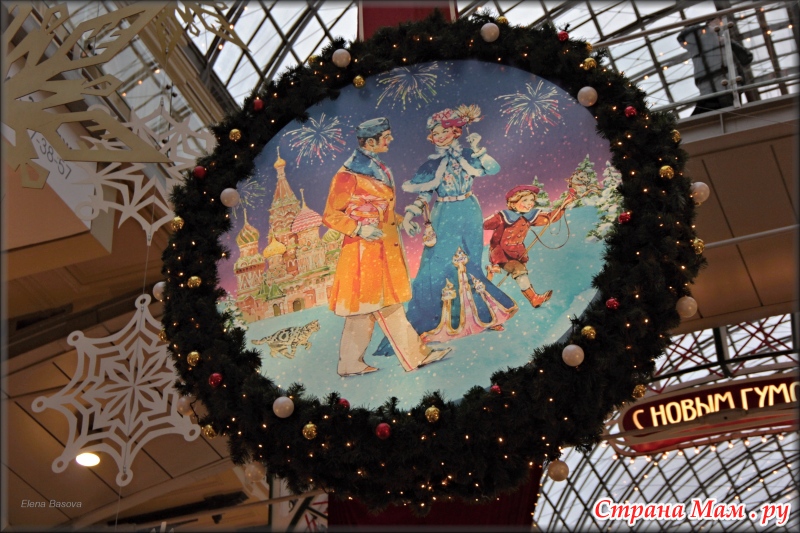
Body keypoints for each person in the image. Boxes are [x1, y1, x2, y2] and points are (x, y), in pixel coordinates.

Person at [374, 107, 517, 356]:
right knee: (439, 266)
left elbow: (493, 169)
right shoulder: (432, 164)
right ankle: (440, 322)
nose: (439, 137)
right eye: (435, 133)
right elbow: (425, 193)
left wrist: (478, 148)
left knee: (472, 262)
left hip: (469, 211)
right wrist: (410, 215)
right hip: (445, 214)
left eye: (443, 132)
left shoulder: (469, 155)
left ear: (455, 132)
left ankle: (483, 316)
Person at [322, 117, 450, 377]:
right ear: (370, 142)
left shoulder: (377, 168)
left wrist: (402, 222)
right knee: (384, 306)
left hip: (382, 248)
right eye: (386, 136)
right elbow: (331, 215)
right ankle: (415, 357)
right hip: (363, 252)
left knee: (365, 310)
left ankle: (350, 363)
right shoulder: (348, 175)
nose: (391, 140)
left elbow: (382, 209)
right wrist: (359, 229)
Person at [483, 185, 576, 308]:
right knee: (519, 270)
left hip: (517, 253)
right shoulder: (503, 217)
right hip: (502, 254)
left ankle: (494, 270)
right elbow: (484, 224)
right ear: (513, 203)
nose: (530, 203)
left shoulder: (529, 217)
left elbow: (550, 217)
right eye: (525, 200)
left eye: (532, 200)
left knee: (520, 271)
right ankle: (534, 298)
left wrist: (563, 205)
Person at [677, 17, 753, 115]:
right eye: (717, 24)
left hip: (726, 87)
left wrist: (727, 42)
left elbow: (746, 57)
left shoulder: (723, 42)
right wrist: (708, 29)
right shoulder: (698, 42)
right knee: (726, 113)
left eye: (720, 24)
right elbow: (682, 37)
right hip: (713, 89)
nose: (719, 27)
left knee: (726, 113)